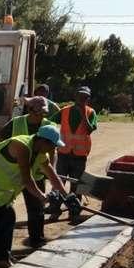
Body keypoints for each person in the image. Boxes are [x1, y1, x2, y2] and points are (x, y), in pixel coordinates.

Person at [0, 123, 72, 268]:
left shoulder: (41, 153)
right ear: (43, 141)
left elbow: (52, 175)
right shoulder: (22, 146)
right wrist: (42, 197)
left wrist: (67, 197)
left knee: (7, 218)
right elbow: (27, 180)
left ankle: (1, 259)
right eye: (53, 146)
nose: (54, 150)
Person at [3, 95, 56, 246]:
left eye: (43, 113)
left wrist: (51, 170)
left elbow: (53, 151)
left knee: (37, 208)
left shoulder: (49, 125)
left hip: (36, 174)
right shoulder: (15, 124)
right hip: (14, 174)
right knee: (4, 208)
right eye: (38, 112)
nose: (41, 116)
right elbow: (1, 145)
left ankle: (36, 238)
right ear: (30, 110)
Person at [49, 86, 97, 220]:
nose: (82, 99)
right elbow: (50, 122)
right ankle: (55, 209)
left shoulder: (90, 112)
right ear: (75, 96)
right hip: (64, 153)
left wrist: (83, 115)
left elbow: (89, 130)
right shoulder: (65, 111)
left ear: (88, 99)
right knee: (59, 183)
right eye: (80, 96)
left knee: (76, 185)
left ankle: (73, 212)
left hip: (79, 156)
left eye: (85, 97)